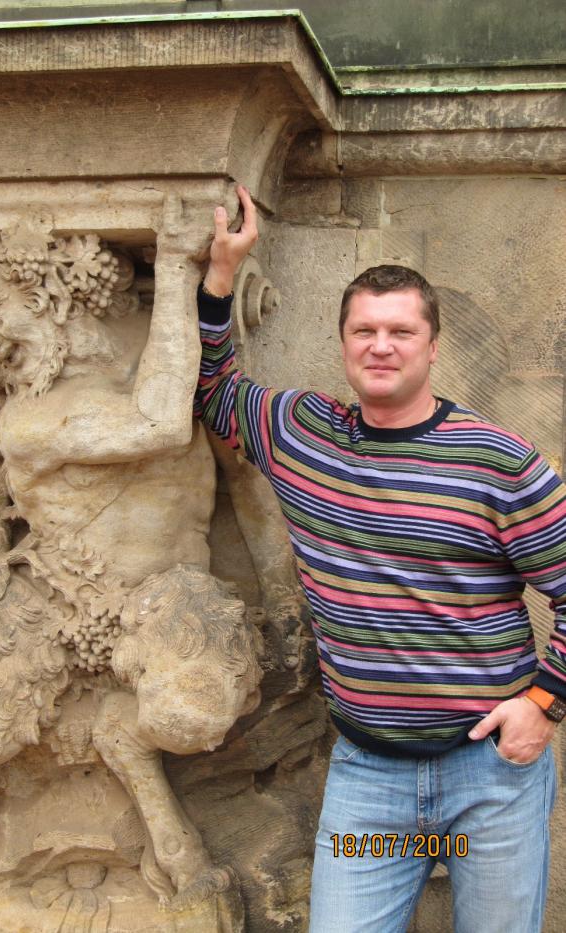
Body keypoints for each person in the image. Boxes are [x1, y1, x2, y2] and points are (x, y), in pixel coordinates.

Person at [194, 185, 566, 932]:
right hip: (368, 779)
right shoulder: (300, 434)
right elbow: (217, 393)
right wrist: (222, 274)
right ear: (344, 344)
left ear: (432, 346)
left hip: (490, 776)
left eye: (400, 330)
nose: (381, 345)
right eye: (364, 330)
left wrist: (544, 705)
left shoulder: (497, 462)